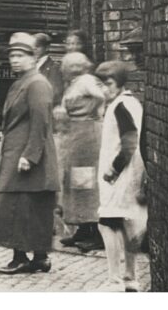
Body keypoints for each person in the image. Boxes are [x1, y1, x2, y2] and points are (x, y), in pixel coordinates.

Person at [0, 32, 60, 274]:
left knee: (20, 206)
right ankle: (38, 257)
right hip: (16, 153)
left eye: (20, 56)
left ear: (33, 58)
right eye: (12, 56)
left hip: (29, 157)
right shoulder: (21, 82)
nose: (15, 60)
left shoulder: (37, 84)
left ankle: (22, 257)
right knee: (28, 206)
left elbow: (41, 122)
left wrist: (29, 156)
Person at [95, 60, 146, 292]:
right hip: (132, 176)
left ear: (119, 83)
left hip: (119, 177)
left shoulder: (120, 106)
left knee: (107, 224)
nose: (104, 89)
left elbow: (129, 142)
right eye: (101, 84)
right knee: (126, 224)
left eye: (108, 83)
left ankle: (114, 281)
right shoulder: (131, 103)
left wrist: (113, 170)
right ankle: (130, 278)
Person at [55, 53, 106, 250]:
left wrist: (96, 113)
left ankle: (95, 233)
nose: (62, 70)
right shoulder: (75, 83)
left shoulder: (86, 81)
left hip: (87, 137)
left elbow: (101, 96)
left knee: (86, 184)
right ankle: (82, 228)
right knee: (77, 184)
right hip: (77, 136)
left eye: (65, 66)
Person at [34, 32, 64, 107]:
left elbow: (55, 93)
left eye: (37, 46)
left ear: (47, 47)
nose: (34, 49)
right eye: (32, 47)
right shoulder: (30, 66)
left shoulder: (55, 68)